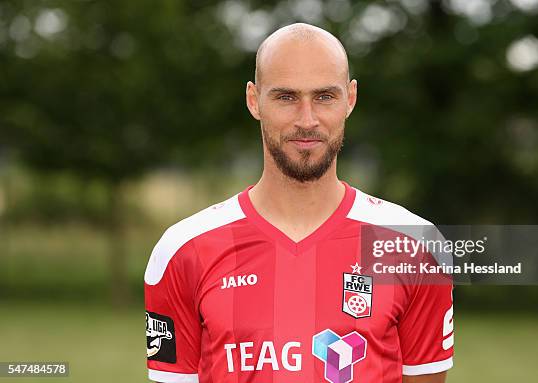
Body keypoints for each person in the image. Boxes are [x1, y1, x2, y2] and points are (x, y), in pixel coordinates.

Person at [144, 23, 453, 383]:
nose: (307, 120)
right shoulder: (183, 251)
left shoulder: (413, 244)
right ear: (253, 100)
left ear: (350, 99)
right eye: (286, 97)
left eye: (324, 96)